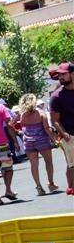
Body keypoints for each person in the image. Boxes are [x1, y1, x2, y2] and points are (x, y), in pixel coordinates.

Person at [18, 93, 58, 196]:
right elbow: (47, 128)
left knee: (34, 164)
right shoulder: (41, 113)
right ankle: (51, 183)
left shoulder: (23, 115)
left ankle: (39, 186)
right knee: (48, 161)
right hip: (42, 140)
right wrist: (54, 140)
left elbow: (22, 125)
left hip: (29, 142)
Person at [49, 62, 74, 195]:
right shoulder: (56, 96)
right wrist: (64, 134)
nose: (61, 77)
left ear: (72, 74)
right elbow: (55, 120)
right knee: (72, 164)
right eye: (59, 75)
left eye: (64, 74)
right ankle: (71, 187)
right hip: (70, 135)